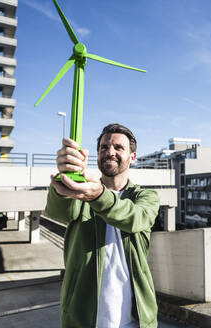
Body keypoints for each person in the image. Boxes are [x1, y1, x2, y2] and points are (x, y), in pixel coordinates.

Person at [45, 123, 159, 328]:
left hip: (135, 321)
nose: (110, 152)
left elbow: (135, 218)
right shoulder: (82, 192)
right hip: (83, 321)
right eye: (104, 148)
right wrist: (65, 181)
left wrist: (97, 195)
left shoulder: (146, 196)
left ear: (133, 157)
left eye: (118, 147)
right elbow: (59, 212)